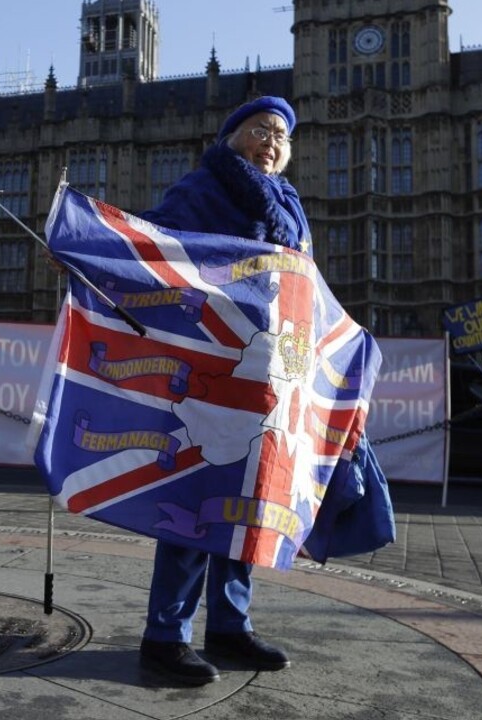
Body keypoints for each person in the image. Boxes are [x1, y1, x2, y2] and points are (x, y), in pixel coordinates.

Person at [135, 96, 309, 686]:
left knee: (248, 506)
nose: (271, 141)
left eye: (281, 136)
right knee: (195, 502)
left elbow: (305, 291)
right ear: (232, 136)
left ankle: (230, 626)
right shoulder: (201, 190)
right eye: (260, 130)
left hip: (271, 376)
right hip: (212, 372)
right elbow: (150, 249)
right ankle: (166, 636)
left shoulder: (291, 206)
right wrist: (92, 251)